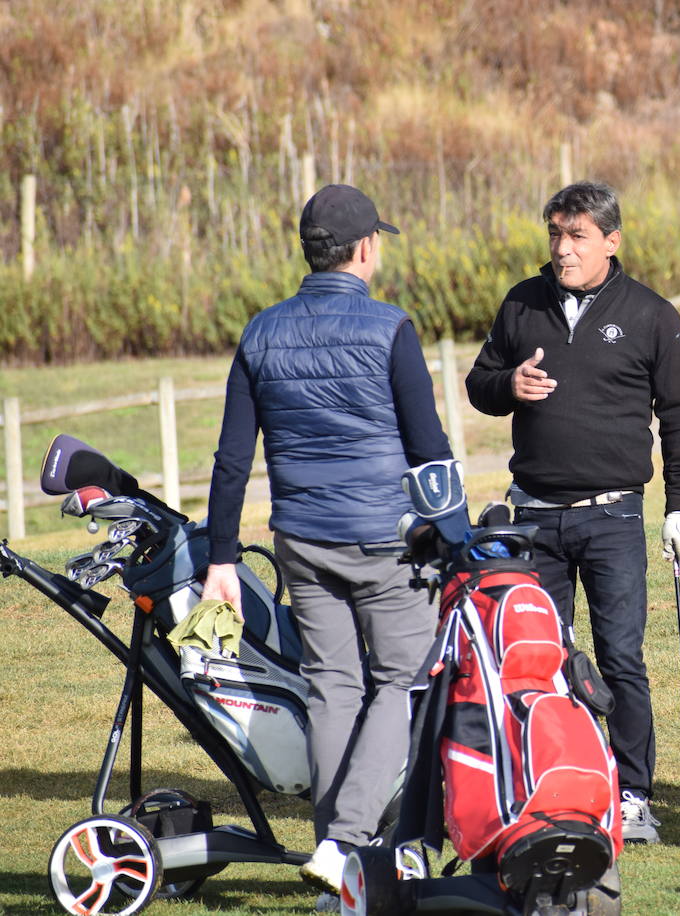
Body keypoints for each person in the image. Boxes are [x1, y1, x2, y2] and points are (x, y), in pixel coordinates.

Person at [202, 184, 452, 896]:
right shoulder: (391, 328)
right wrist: (457, 532)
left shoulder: (260, 331)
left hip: (302, 541)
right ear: (367, 248)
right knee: (399, 681)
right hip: (382, 542)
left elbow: (230, 458)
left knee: (334, 689)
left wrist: (223, 556)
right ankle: (346, 843)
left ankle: (330, 864)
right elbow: (427, 449)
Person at [465, 181, 680, 845]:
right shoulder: (523, 303)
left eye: (577, 237)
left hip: (613, 517)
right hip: (533, 517)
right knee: (539, 659)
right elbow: (480, 385)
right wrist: (507, 385)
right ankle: (549, 786)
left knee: (620, 658)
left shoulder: (652, 315)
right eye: (556, 236)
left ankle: (630, 795)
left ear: (610, 241)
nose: (563, 250)